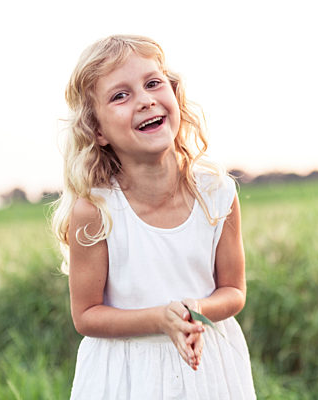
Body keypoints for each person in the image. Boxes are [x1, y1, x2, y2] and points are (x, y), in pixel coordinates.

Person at [51, 34, 256, 399]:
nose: (145, 100)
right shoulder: (96, 211)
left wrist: (196, 310)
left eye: (153, 83)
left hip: (206, 366)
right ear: (97, 130)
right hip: (128, 377)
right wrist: (160, 320)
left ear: (174, 95)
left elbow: (235, 290)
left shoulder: (216, 193)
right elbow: (86, 315)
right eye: (120, 95)